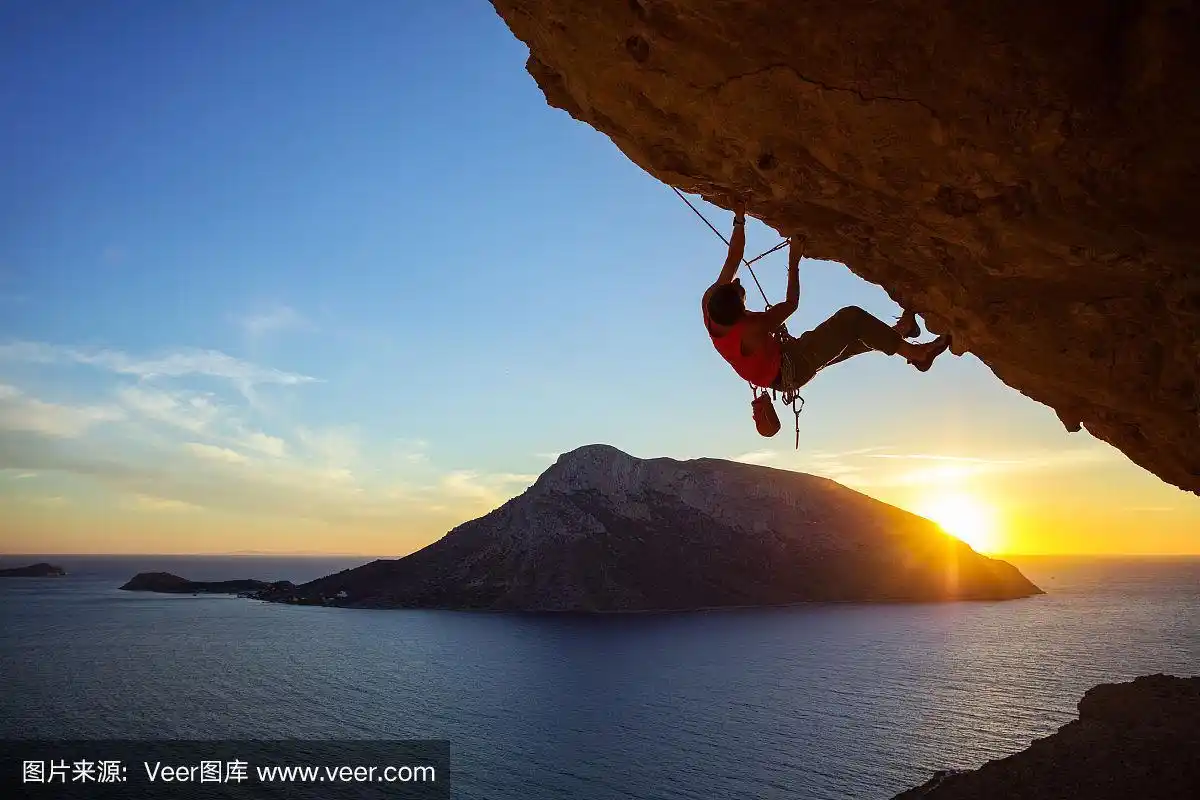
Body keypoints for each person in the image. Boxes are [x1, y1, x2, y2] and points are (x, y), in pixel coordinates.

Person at [701, 199, 953, 395]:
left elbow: (734, 257)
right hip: (793, 367)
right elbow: (791, 304)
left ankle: (900, 332)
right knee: (851, 319)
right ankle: (916, 354)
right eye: (742, 295)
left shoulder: (710, 301)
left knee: (852, 337)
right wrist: (794, 260)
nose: (738, 281)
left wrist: (739, 218)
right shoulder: (752, 329)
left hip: (783, 359)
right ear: (741, 316)